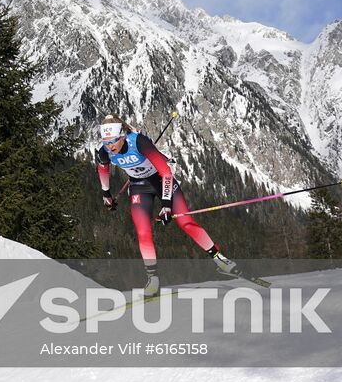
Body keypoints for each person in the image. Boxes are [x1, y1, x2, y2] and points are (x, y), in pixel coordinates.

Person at [95, 114, 238, 295]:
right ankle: (152, 279)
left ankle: (219, 259)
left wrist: (166, 205)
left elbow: (166, 173)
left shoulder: (139, 142)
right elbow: (103, 169)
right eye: (106, 142)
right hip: (139, 187)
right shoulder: (104, 151)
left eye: (113, 141)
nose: (110, 146)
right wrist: (106, 193)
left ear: (122, 135)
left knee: (186, 222)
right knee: (143, 231)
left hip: (162, 181)